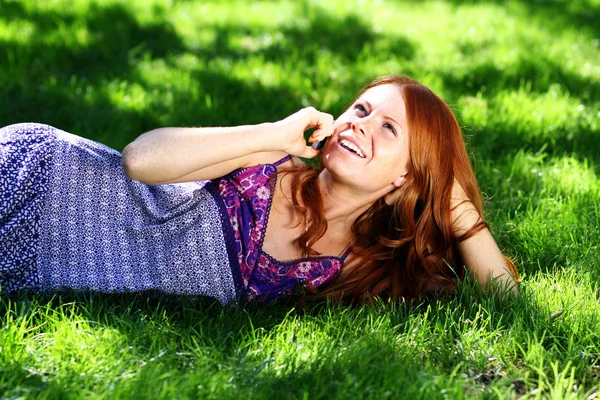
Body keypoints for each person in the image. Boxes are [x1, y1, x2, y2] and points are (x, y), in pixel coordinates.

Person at [0, 75, 517, 305]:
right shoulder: (273, 164)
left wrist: (452, 198)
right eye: (361, 110)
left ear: (406, 177)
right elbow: (138, 160)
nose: (362, 124)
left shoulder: (360, 268)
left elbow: (506, 299)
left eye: (389, 129)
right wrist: (273, 134)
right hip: (40, 181)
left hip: (38, 261)